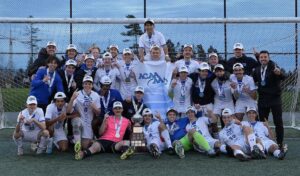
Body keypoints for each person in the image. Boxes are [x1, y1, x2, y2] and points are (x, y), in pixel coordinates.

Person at [252, 50, 286, 148]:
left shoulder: (273, 66)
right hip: (263, 99)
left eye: (265, 57)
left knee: (278, 122)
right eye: (261, 57)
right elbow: (252, 80)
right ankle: (264, 142)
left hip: (275, 99)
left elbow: (283, 77)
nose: (263, 59)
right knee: (262, 122)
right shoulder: (257, 70)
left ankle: (279, 143)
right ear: (259, 59)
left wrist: (279, 73)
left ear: (269, 58)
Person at [66, 75, 101, 153]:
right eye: (85, 83)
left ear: (92, 85)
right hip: (79, 119)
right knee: (76, 121)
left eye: (89, 84)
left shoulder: (96, 95)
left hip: (88, 122)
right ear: (82, 84)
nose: (87, 85)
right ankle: (77, 142)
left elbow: (98, 112)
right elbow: (68, 111)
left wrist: (93, 107)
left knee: (85, 146)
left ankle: (75, 140)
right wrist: (72, 99)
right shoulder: (77, 94)